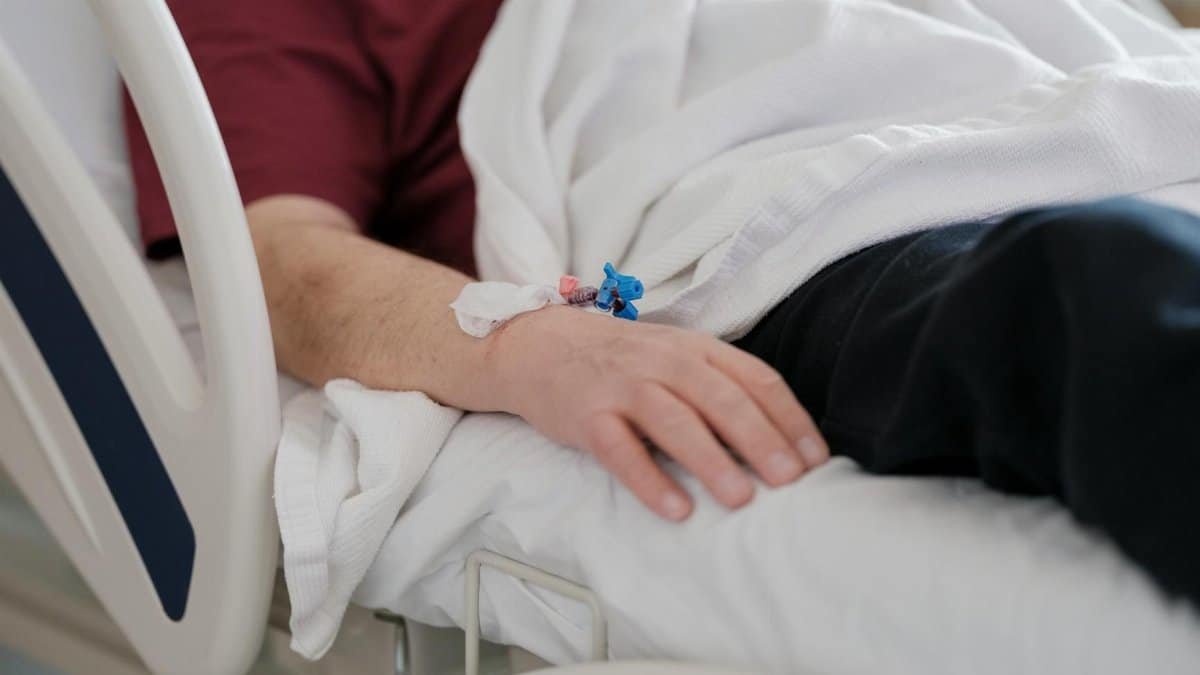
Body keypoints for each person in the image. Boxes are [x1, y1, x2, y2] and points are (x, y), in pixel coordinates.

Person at [126, 0, 1199, 606]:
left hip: (1107, 108)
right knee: (1105, 289)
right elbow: (273, 259)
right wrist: (526, 345)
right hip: (809, 202)